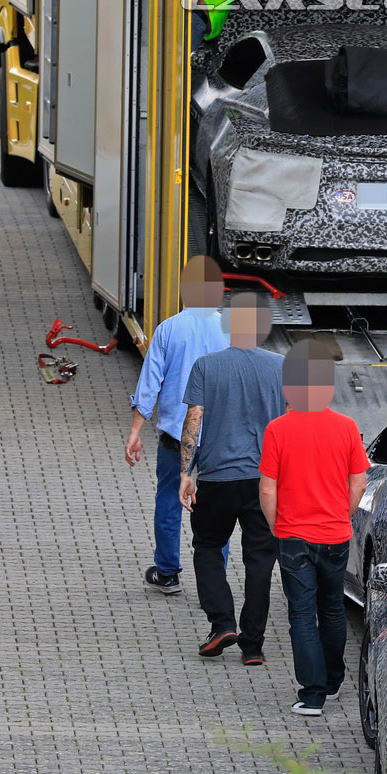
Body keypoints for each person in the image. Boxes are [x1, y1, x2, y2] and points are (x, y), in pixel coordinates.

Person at [258, 341, 370, 716]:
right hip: (335, 534)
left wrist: (277, 525)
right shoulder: (347, 427)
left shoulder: (278, 429)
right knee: (333, 608)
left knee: (302, 614)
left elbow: (267, 486)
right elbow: (360, 481)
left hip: (294, 537)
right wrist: (344, 511)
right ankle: (335, 681)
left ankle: (312, 694)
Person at [179, 291, 286, 663]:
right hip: (264, 482)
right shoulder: (280, 366)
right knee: (260, 560)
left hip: (217, 478)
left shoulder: (206, 366)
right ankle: (253, 646)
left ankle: (222, 622)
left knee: (207, 547)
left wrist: (185, 472)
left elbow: (194, 420)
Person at [123, 256, 227, 593]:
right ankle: (213, 578)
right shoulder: (229, 329)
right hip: (216, 437)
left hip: (175, 434)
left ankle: (167, 572)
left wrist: (136, 431)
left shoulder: (168, 329)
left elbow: (149, 384)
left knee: (169, 498)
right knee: (214, 507)